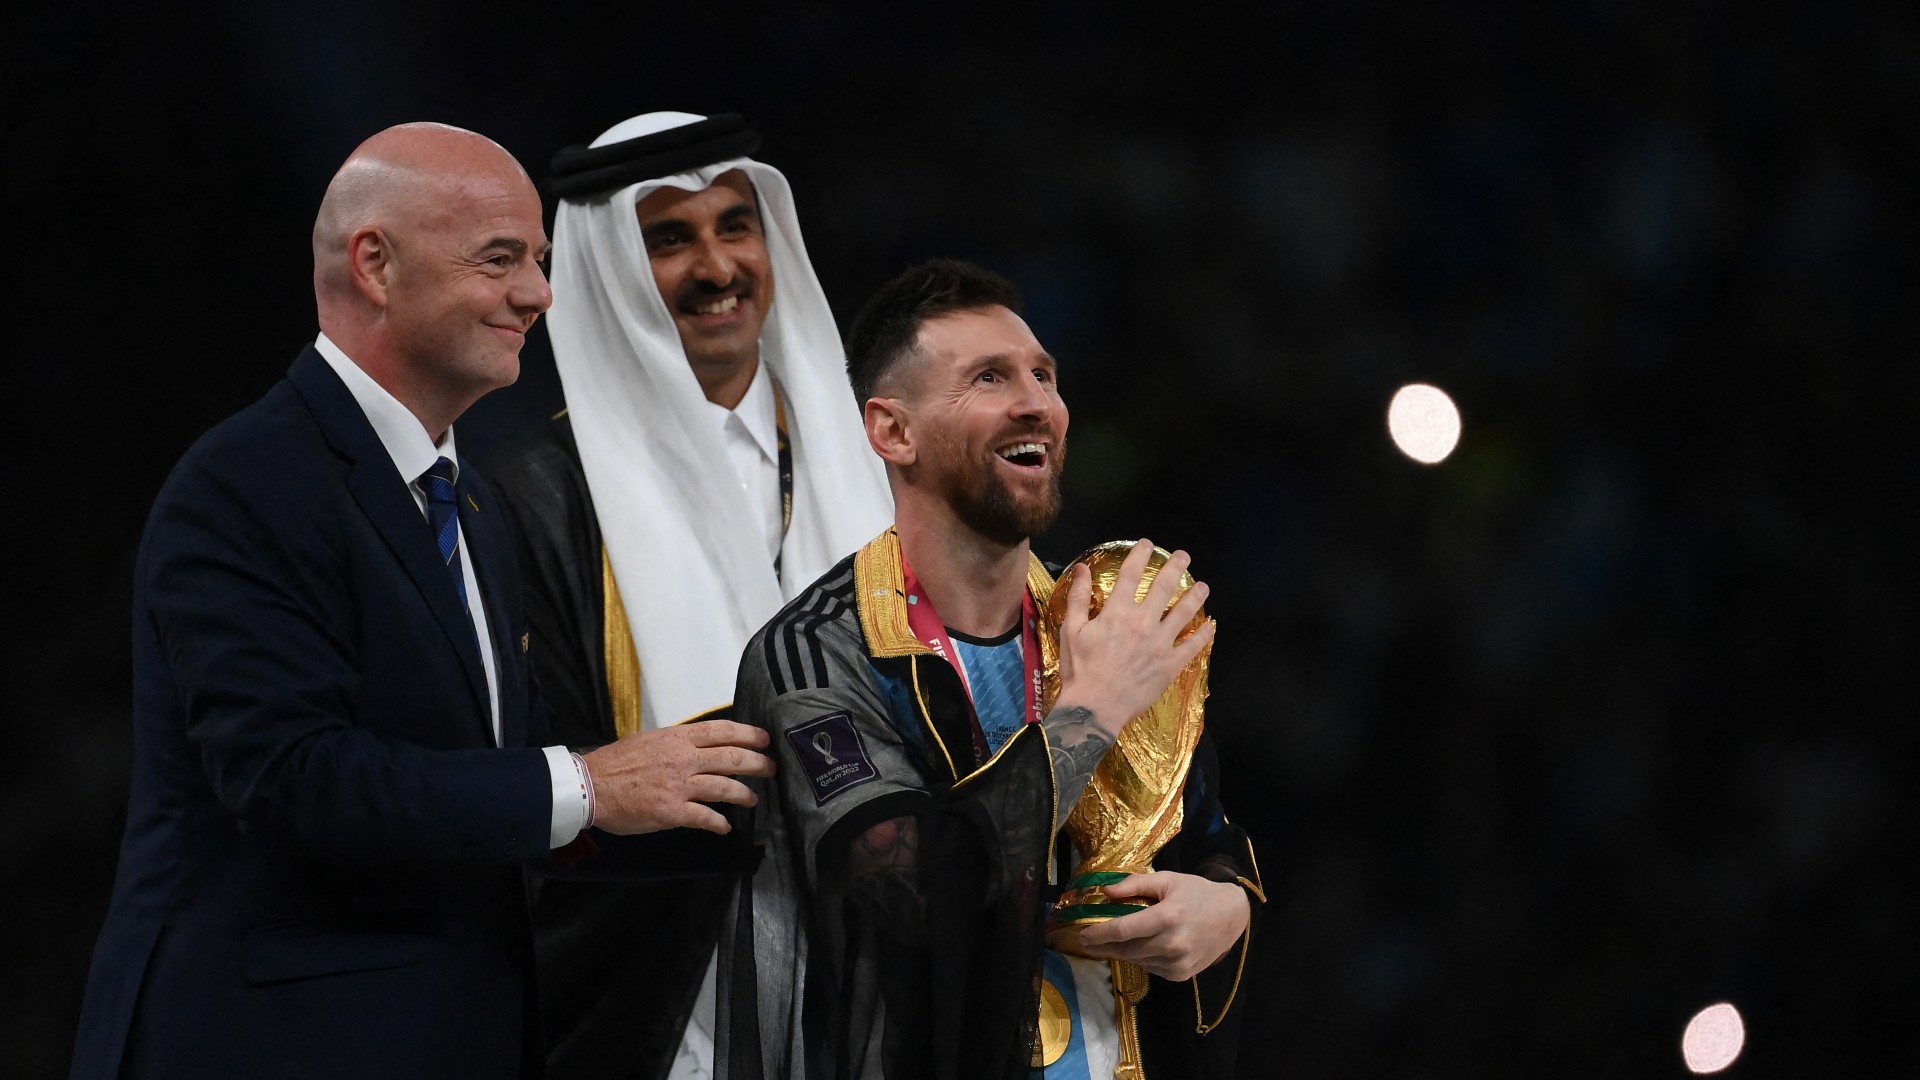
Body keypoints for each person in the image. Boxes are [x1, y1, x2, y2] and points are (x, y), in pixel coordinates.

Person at [69, 122, 774, 1080]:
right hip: (276, 1046)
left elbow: (500, 794)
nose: (539, 293)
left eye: (539, 260)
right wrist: (587, 784)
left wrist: (764, 808)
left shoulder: (471, 503)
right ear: (375, 265)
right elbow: (292, 779)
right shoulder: (248, 481)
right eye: (500, 259)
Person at [717, 259, 1265, 1080]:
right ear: (893, 432)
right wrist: (1092, 711)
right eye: (989, 378)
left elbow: (1206, 834)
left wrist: (1226, 907)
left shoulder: (1106, 620)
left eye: (1044, 375)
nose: (1036, 402)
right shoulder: (815, 654)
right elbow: (909, 894)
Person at [485, 111, 891, 1079]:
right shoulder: (533, 501)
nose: (717, 268)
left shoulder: (883, 458)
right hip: (656, 1003)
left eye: (735, 226)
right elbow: (524, 784)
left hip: (882, 990)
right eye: (670, 239)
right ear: (614, 271)